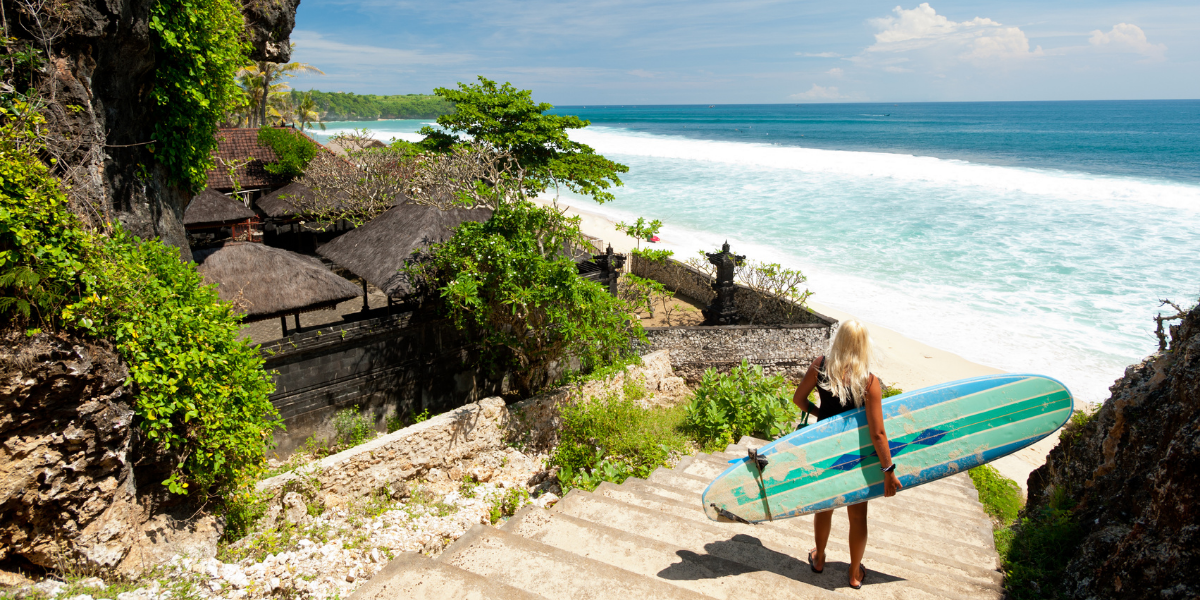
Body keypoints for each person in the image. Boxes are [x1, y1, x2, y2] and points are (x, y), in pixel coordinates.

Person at [790, 320, 902, 590]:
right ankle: (853, 573)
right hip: (856, 455)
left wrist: (822, 416)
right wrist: (889, 471)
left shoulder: (820, 366)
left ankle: (819, 559)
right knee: (858, 516)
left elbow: (799, 399)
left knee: (824, 507)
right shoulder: (869, 382)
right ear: (864, 346)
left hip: (825, 451)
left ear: (838, 339)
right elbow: (878, 433)